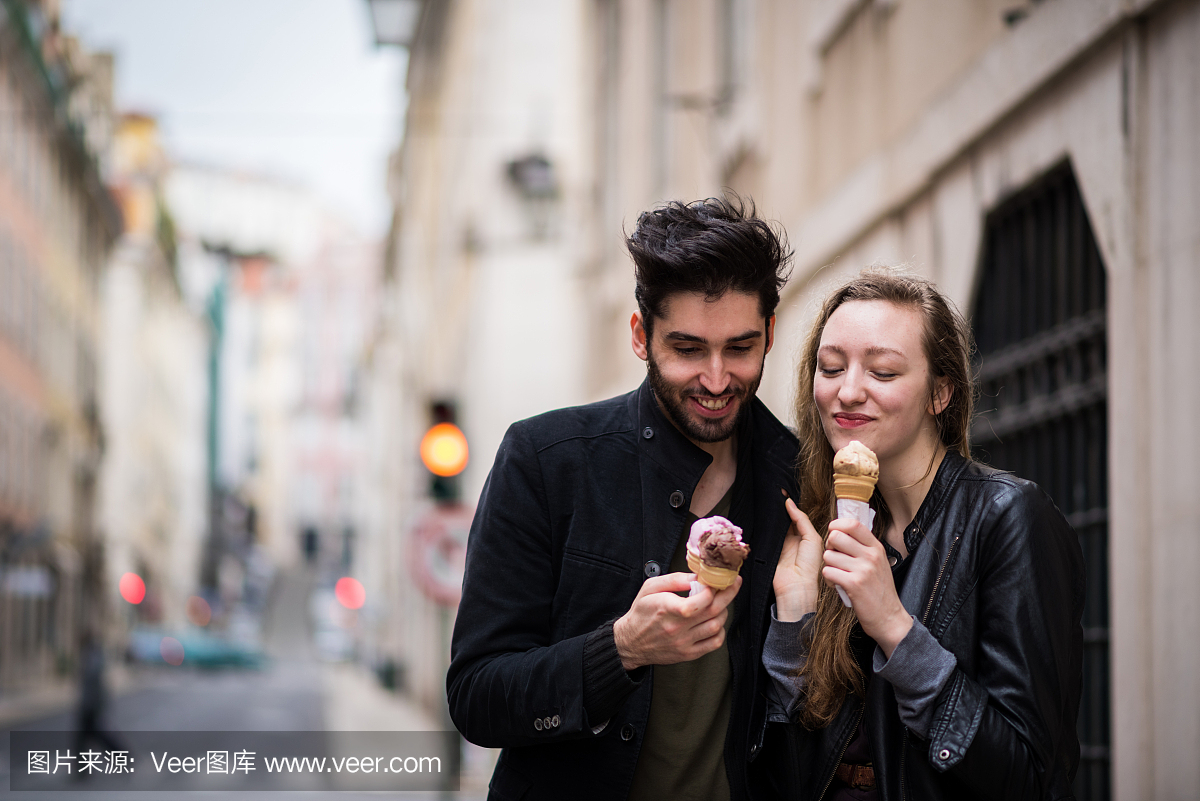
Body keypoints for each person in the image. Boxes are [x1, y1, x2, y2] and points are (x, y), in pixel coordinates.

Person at [448, 196, 800, 800]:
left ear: (769, 334)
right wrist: (622, 649)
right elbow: (477, 697)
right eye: (688, 350)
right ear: (641, 335)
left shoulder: (799, 477)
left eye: (740, 349)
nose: (717, 380)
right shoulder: (545, 460)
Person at [765, 270, 1084, 800]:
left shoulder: (1008, 517)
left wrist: (893, 625)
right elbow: (791, 769)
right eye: (830, 367)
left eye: (883, 372)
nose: (847, 391)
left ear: (940, 393)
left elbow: (1029, 775)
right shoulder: (827, 528)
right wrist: (796, 618)